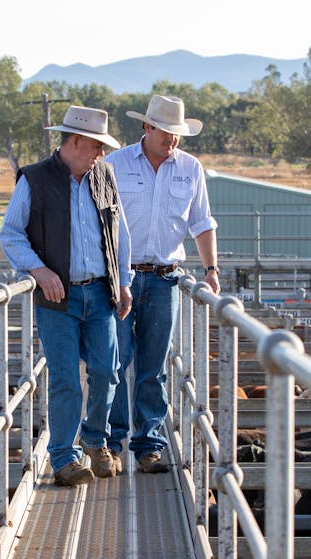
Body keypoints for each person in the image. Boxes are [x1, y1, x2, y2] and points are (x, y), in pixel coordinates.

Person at [0, 105, 133, 486]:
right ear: (74, 141)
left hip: (100, 292)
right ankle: (64, 457)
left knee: (108, 371)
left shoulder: (103, 176)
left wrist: (123, 282)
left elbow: (119, 234)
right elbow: (10, 233)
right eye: (96, 146)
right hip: (58, 298)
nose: (101, 155)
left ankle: (95, 441)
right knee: (64, 379)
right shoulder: (35, 179)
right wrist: (38, 270)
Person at [104, 94, 220, 474]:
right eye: (167, 132)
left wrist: (211, 269)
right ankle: (112, 442)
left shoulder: (190, 169)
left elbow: (201, 222)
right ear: (147, 127)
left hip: (165, 278)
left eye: (178, 133)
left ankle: (148, 444)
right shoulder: (114, 164)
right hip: (121, 277)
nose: (173, 139)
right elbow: (98, 220)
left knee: (155, 365)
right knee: (114, 361)